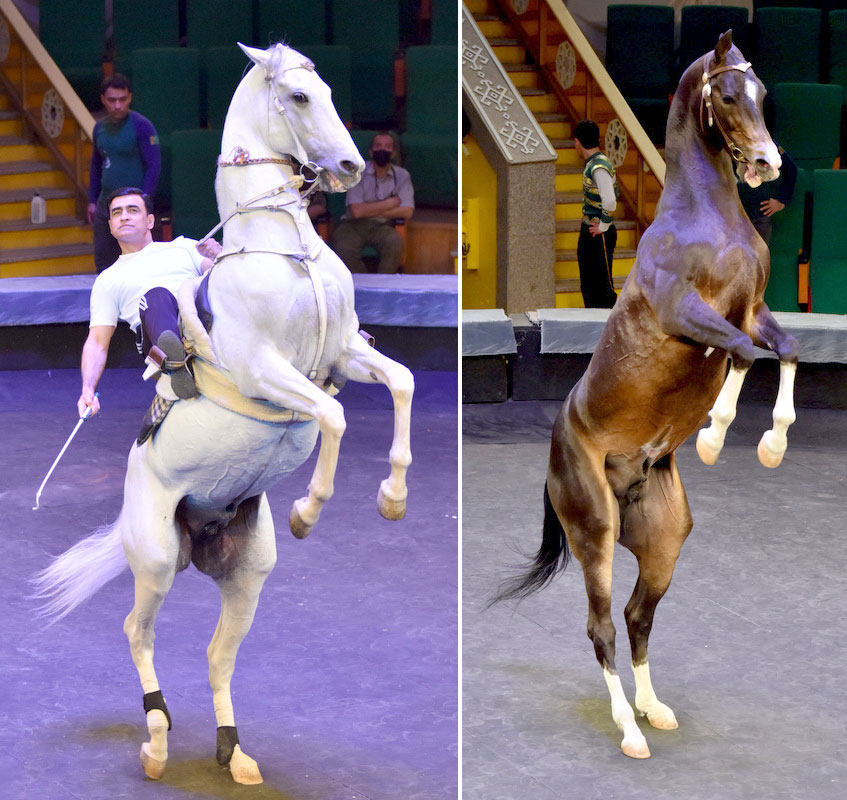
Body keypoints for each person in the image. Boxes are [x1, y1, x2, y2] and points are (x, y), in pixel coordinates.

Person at [78, 188, 222, 420]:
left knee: (204, 287)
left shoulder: (184, 247)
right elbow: (97, 342)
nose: (124, 216)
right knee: (156, 297)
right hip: (158, 341)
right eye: (117, 213)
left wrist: (220, 258)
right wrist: (87, 388)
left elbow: (225, 280)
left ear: (150, 220)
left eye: (132, 210)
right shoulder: (107, 280)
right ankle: (178, 364)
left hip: (202, 321)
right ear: (111, 226)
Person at [88, 75, 161, 273]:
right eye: (112, 100)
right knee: (104, 262)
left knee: (141, 260)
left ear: (130, 97)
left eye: (123, 99)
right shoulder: (99, 128)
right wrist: (92, 200)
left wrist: (145, 200)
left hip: (135, 206)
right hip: (106, 205)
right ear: (103, 99)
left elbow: (154, 166)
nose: (118, 105)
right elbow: (96, 165)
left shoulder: (142, 126)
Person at [330, 132, 414, 273]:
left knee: (395, 244)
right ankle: (364, 284)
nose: (382, 150)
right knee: (343, 246)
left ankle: (382, 285)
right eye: (378, 146)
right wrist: (390, 203)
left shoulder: (402, 175)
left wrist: (369, 209)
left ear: (393, 153)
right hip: (353, 225)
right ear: (371, 151)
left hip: (383, 226)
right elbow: (357, 211)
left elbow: (407, 211)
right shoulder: (358, 173)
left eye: (387, 147)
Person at [574, 119, 618, 308]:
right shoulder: (594, 162)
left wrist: (603, 226)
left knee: (602, 287)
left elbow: (609, 200)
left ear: (578, 142)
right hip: (590, 228)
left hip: (598, 232)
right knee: (589, 284)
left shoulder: (598, 166)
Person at [737, 144, 798, 245]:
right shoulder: (725, 141)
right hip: (730, 214)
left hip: (759, 214)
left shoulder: (765, 142)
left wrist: (782, 200)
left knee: (759, 258)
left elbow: (791, 169)